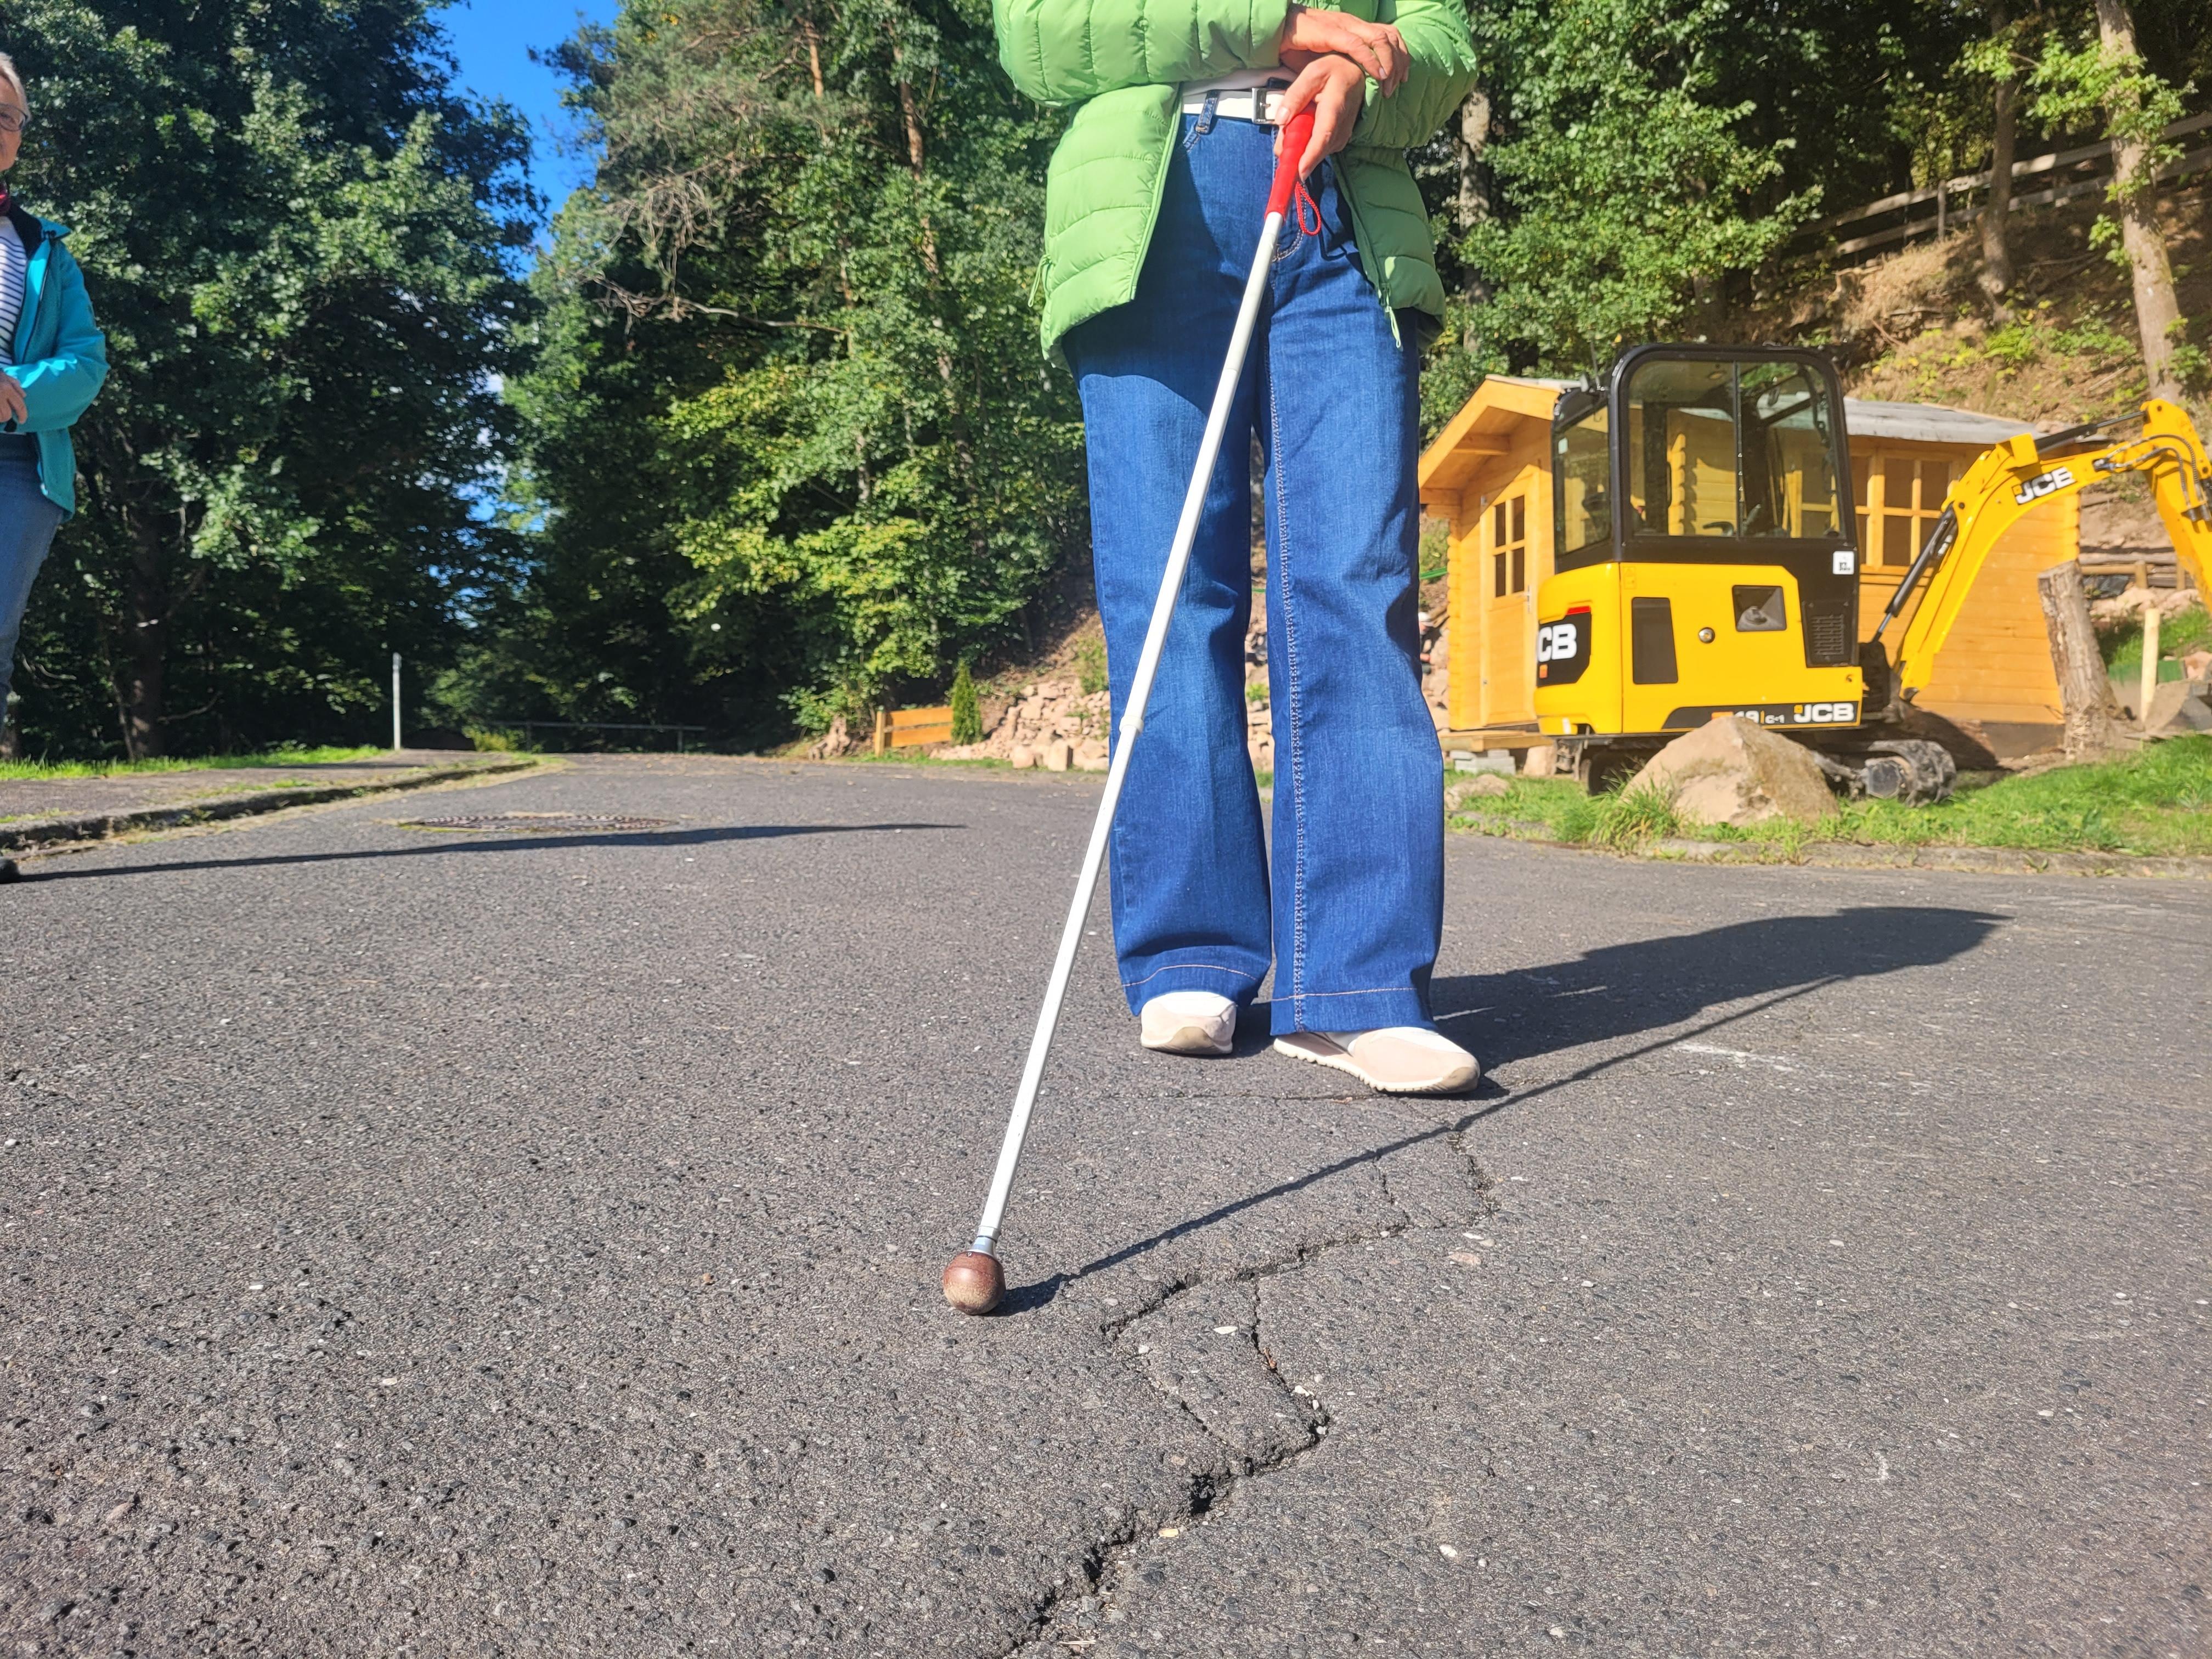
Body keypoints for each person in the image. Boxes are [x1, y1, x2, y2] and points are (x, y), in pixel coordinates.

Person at [994, 0, 1481, 1092]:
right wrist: (1287, 26)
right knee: (1168, 592)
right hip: (1153, 213)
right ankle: (1190, 954)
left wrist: (1370, 81)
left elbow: (1446, 47)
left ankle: (1358, 987)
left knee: (1358, 586)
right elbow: (1036, 38)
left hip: (1345, 222)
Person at [0, 50, 108, 761]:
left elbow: (86, 363)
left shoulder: (44, 247)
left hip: (20, 466)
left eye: (6, 117)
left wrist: (11, 396)